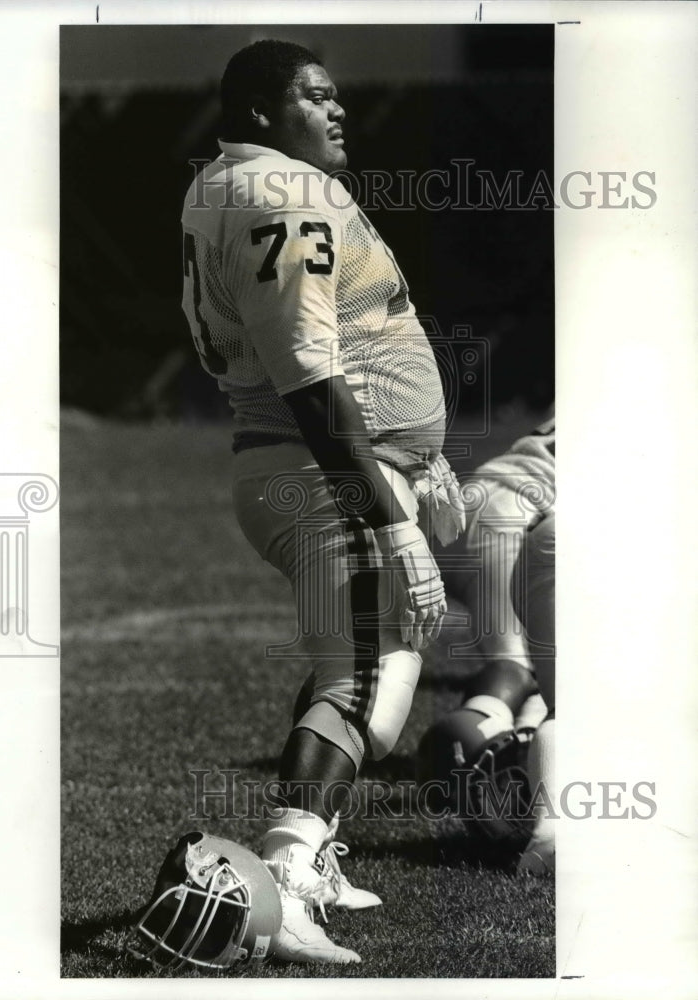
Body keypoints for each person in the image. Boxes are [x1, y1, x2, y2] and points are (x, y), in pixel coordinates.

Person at [180, 39, 464, 964]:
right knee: (361, 682)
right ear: (261, 110)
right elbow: (309, 376)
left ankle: (313, 850)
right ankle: (285, 879)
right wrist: (388, 510)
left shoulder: (233, 183)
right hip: (319, 472)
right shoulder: (281, 196)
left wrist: (418, 459)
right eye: (316, 97)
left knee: (368, 669)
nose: (337, 111)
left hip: (323, 465)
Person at [418, 415, 555, 873]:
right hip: (532, 520)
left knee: (515, 672)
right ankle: (518, 799)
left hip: (475, 498)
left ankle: (477, 722)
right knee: (557, 692)